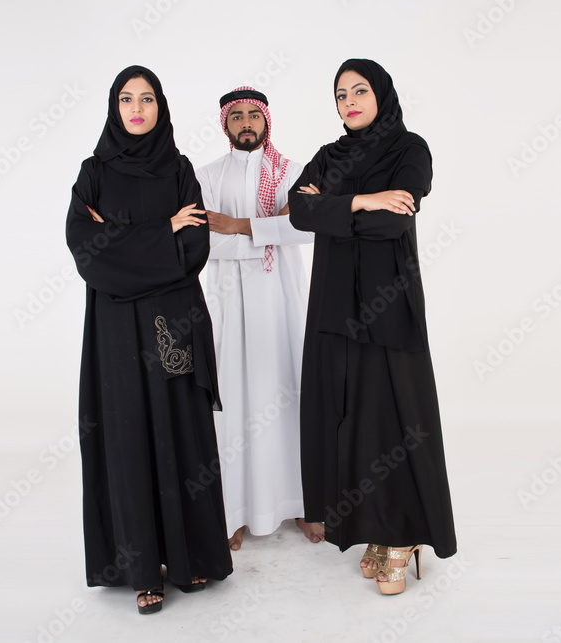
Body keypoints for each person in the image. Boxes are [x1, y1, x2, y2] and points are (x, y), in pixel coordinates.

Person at [66, 65, 232, 614]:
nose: (137, 108)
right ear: (114, 109)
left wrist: (127, 248)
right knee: (129, 439)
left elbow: (196, 251)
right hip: (115, 334)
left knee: (180, 432)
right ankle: (143, 572)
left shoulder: (180, 169)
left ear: (161, 107)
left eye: (147, 99)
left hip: (171, 325)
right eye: (126, 99)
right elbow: (87, 252)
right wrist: (162, 233)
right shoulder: (94, 172)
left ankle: (191, 560)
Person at [288, 58, 457, 595]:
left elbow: (394, 219)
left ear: (381, 93)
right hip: (334, 306)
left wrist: (334, 209)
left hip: (388, 305)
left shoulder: (410, 149)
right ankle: (371, 531)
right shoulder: (328, 155)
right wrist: (363, 199)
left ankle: (401, 536)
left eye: (359, 90)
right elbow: (296, 209)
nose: (349, 102)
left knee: (393, 418)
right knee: (350, 417)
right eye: (340, 95)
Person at [195, 86, 322, 550]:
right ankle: (233, 511)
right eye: (237, 117)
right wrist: (271, 231)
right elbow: (204, 242)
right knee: (234, 401)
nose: (246, 123)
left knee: (291, 396)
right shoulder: (206, 174)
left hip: (284, 303)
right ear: (225, 124)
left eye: (254, 115)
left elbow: (307, 228)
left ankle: (304, 504)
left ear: (267, 120)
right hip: (229, 304)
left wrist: (238, 226)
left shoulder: (293, 171)